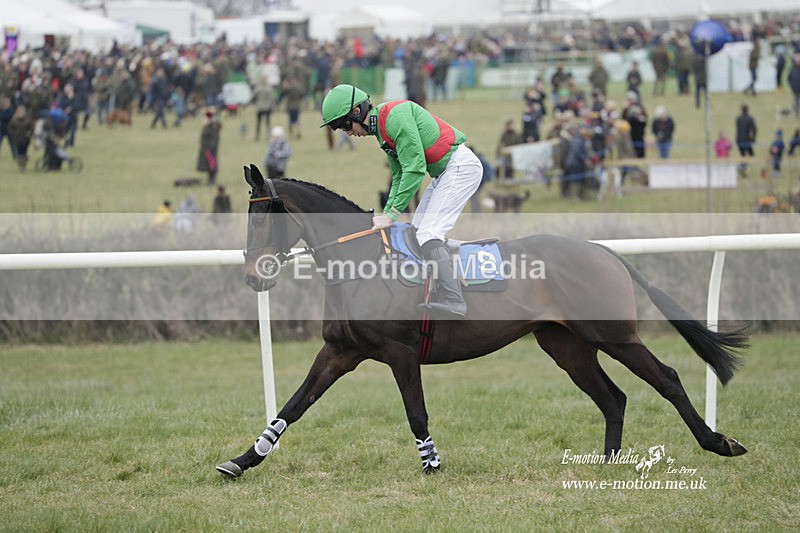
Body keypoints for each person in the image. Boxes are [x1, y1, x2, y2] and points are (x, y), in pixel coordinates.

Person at [320, 84, 483, 319]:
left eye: (345, 125)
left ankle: (454, 300)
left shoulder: (393, 118)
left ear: (357, 112)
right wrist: (387, 213)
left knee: (428, 234)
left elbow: (414, 169)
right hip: (445, 172)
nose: (348, 133)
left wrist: (392, 214)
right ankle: (443, 278)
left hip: (460, 168)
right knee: (418, 232)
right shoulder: (382, 130)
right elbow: (398, 176)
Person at [197, 108, 222, 185]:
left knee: (212, 164)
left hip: (210, 148)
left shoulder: (212, 126)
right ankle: (210, 179)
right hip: (207, 148)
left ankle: (212, 180)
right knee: (209, 164)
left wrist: (211, 147)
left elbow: (214, 138)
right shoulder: (208, 125)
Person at [8, 104, 34, 172]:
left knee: (24, 153)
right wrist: (13, 134)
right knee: (19, 153)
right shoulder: (14, 120)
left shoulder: (28, 120)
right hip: (17, 139)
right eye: (19, 112)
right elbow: (10, 128)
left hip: (26, 140)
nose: (21, 113)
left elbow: (31, 128)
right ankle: (21, 167)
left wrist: (29, 133)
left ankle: (24, 165)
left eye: (22, 112)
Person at [735, 104, 757, 176]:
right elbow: (753, 129)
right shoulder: (750, 119)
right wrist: (753, 139)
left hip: (738, 140)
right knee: (751, 154)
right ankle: (742, 167)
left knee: (743, 155)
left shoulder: (738, 118)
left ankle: (743, 170)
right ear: (748, 110)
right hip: (746, 140)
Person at [252, 75, 275, 141]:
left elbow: (253, 96)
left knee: (259, 123)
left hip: (260, 107)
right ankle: (268, 136)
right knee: (268, 122)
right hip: (267, 107)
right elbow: (272, 98)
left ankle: (257, 136)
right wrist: (273, 106)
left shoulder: (258, 88)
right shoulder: (269, 88)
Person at [788, 53, 800, 119]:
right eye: (797, 60)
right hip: (795, 89)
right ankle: (796, 114)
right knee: (795, 102)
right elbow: (788, 78)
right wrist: (792, 85)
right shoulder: (792, 68)